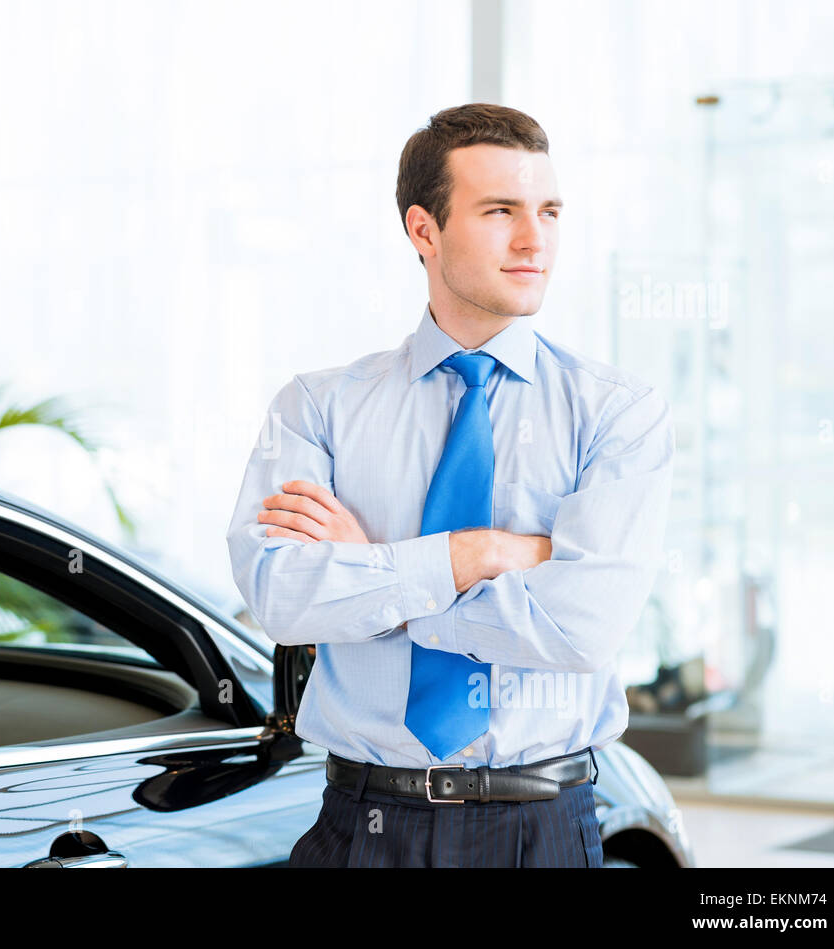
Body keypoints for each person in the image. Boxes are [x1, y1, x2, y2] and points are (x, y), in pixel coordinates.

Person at [225, 103, 674, 867]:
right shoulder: (317, 407)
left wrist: (379, 579)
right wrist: (478, 553)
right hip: (359, 824)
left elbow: (582, 627)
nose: (535, 240)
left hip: (542, 829)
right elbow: (282, 597)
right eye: (501, 211)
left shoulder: (618, 414)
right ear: (423, 230)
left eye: (550, 212)